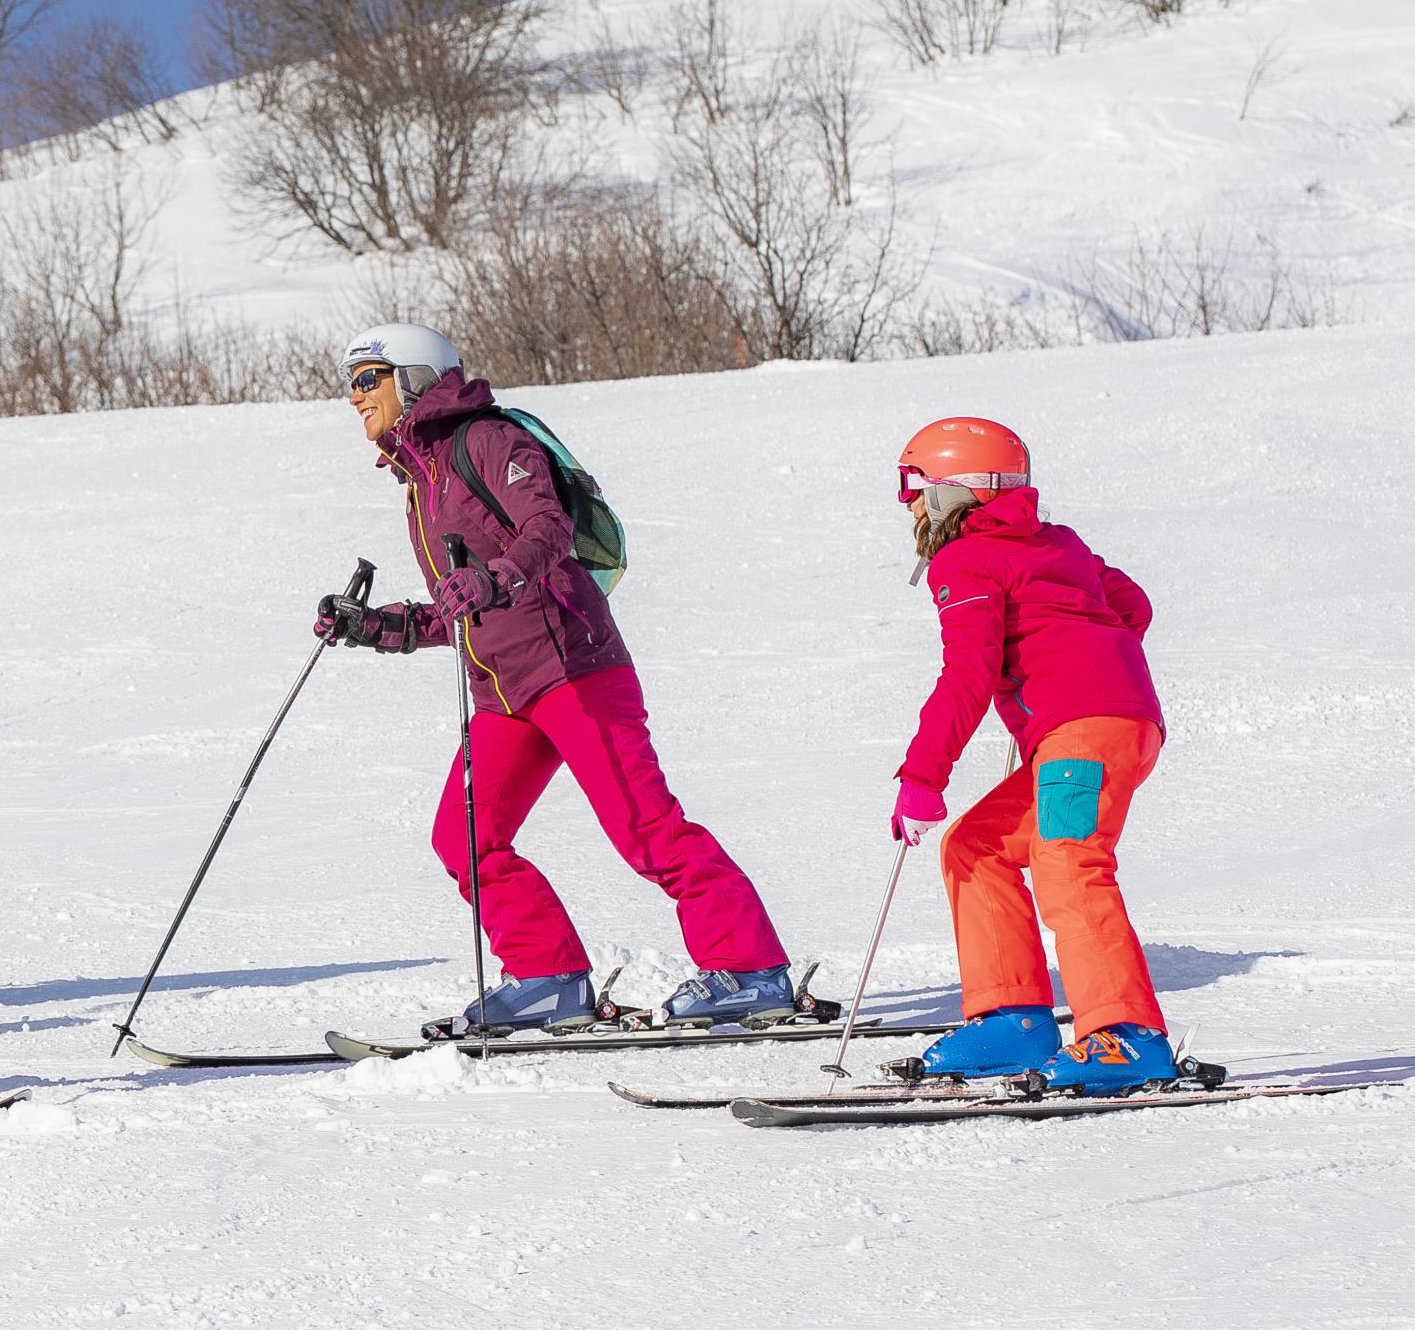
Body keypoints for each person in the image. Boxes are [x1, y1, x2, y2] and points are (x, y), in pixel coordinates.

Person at [315, 324, 794, 1038]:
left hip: (573, 666)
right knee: (465, 837)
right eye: (349, 382)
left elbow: (547, 529)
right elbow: (461, 610)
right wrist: (373, 625)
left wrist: (493, 576)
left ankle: (753, 970)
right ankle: (548, 978)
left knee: (645, 829)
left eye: (367, 378)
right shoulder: (422, 482)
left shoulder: (489, 441)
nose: (353, 397)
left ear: (412, 377)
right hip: (503, 692)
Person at [889, 417, 1177, 1092]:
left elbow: (967, 675)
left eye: (915, 490)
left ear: (952, 493)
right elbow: (1132, 604)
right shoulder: (1057, 543)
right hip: (1113, 727)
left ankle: (1128, 1035)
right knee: (975, 846)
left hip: (1083, 735)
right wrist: (1086, 654)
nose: (909, 506)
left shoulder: (965, 561)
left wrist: (924, 777)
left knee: (1067, 858)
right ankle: (1011, 1016)